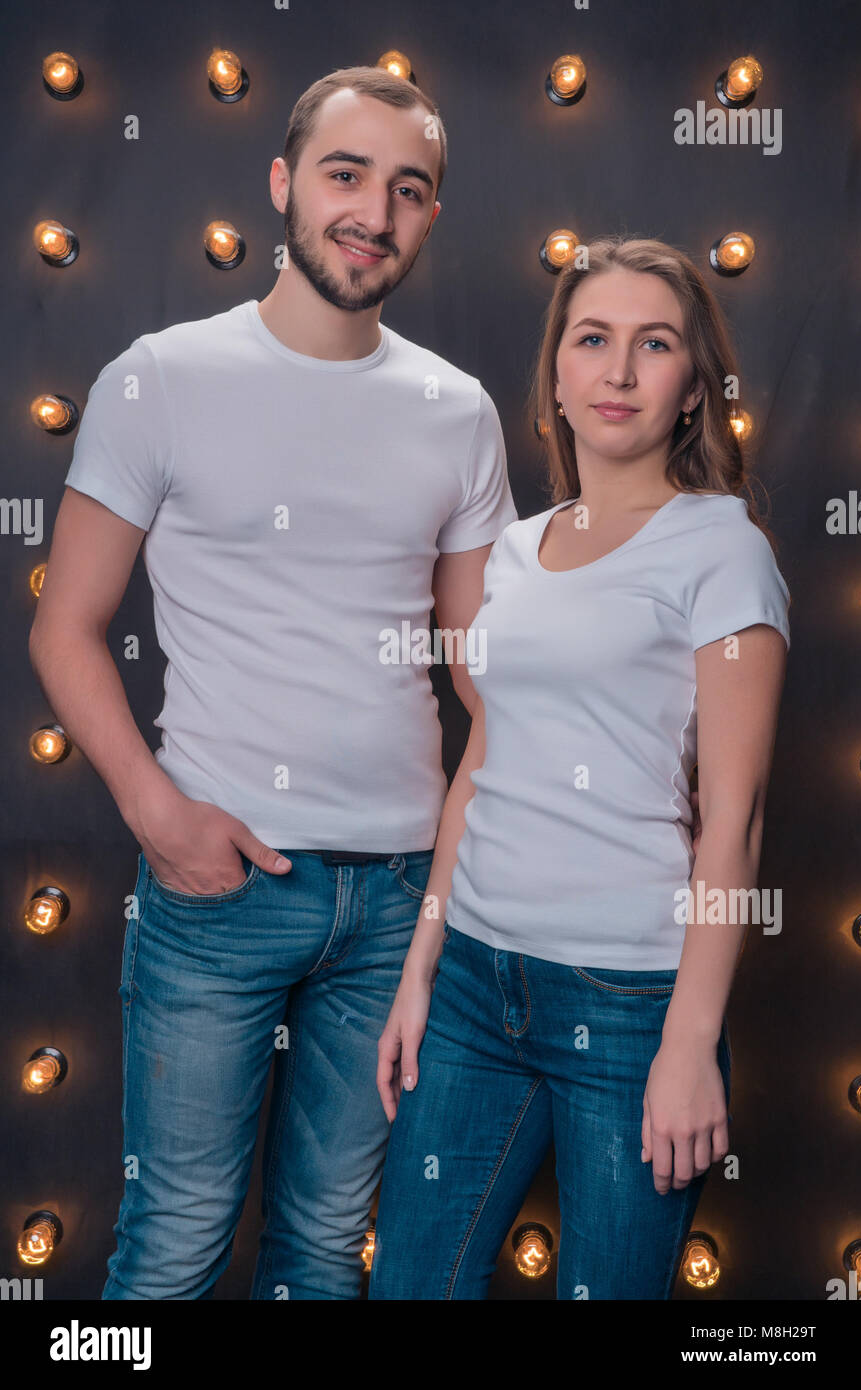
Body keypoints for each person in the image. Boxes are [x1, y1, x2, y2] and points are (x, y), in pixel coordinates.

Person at [28, 66, 518, 1300]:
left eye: (408, 190)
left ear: (430, 218)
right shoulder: (163, 376)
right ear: (283, 184)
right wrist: (160, 816)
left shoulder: (455, 409)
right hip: (218, 884)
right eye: (346, 176)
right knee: (179, 1242)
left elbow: (484, 673)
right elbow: (65, 628)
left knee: (321, 1248)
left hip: (400, 896)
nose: (374, 211)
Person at [368, 236, 791, 1301]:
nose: (616, 371)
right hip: (471, 984)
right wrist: (421, 964)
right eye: (591, 339)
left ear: (692, 389)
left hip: (630, 998)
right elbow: (482, 759)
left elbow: (733, 820)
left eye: (653, 346)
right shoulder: (514, 549)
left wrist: (690, 1043)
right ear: (554, 374)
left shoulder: (721, 549)